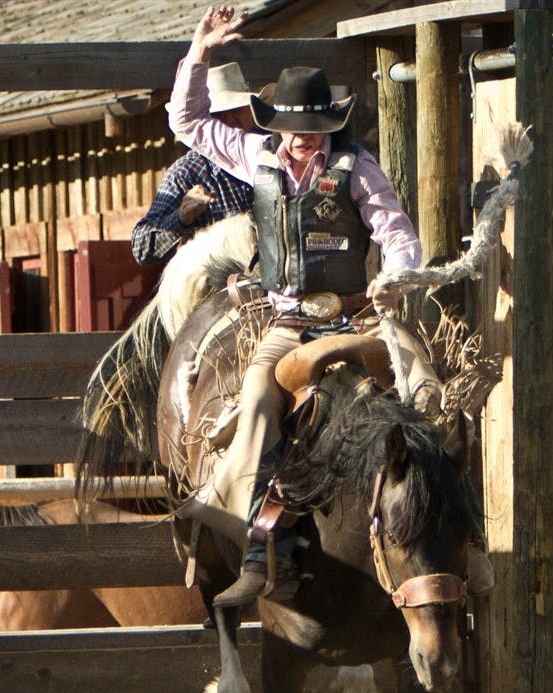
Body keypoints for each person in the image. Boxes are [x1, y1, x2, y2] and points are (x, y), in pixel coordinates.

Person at [169, 6, 424, 609]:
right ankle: (261, 545)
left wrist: (395, 279)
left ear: (329, 124)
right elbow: (186, 120)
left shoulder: (358, 169)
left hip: (355, 318)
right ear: (277, 124)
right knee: (259, 400)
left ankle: (451, 534)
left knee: (422, 395)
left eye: (313, 125)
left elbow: (397, 234)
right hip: (287, 322)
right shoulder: (253, 155)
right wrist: (199, 52)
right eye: (293, 125)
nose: (302, 136)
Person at [129, 62, 259, 265]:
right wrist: (181, 218)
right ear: (203, 123)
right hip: (219, 278)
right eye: (217, 114)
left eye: (236, 109)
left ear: (250, 110)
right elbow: (142, 247)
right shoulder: (186, 173)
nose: (230, 120)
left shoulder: (273, 154)